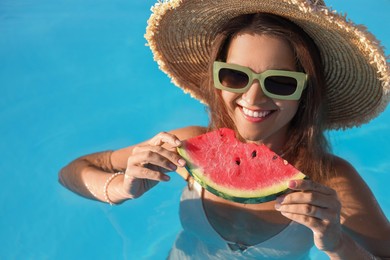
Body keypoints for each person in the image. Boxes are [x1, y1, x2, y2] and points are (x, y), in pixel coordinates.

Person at [59, 0, 390, 259]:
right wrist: (120, 188)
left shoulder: (330, 181)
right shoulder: (188, 144)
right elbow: (72, 173)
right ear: (217, 79)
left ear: (305, 91)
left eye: (279, 81)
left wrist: (336, 245)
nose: (253, 97)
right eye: (235, 76)